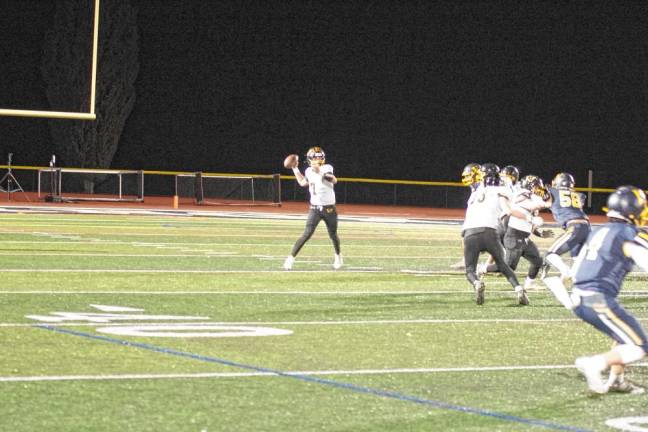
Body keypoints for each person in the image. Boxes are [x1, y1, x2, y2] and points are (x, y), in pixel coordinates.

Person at [572, 185, 648, 394]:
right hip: (595, 298)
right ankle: (595, 363)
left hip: (582, 295)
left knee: (624, 336)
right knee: (640, 346)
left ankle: (616, 380)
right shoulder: (627, 233)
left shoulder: (600, 229)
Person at [461, 163, 526, 305]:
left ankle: (477, 283)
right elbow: (508, 210)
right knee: (503, 266)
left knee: (470, 270)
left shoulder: (475, 193)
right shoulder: (501, 190)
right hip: (490, 232)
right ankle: (519, 289)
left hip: (470, 233)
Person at [480, 175, 553, 295]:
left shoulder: (532, 198)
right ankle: (483, 268)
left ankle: (529, 283)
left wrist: (539, 233)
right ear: (530, 186)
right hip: (513, 235)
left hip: (524, 237)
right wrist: (546, 199)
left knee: (537, 261)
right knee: (509, 267)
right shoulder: (522, 195)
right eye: (536, 186)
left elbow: (531, 223)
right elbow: (537, 206)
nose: (538, 189)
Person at [283, 147, 342, 271]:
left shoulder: (327, 167)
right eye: (315, 157)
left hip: (329, 209)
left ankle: (338, 256)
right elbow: (303, 183)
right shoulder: (309, 171)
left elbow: (334, 179)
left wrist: (319, 171)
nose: (317, 159)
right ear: (310, 159)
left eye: (319, 157)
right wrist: (295, 168)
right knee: (306, 234)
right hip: (314, 208)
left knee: (333, 235)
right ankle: (290, 259)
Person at [540, 172, 591, 284]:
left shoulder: (551, 191)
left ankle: (566, 271)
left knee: (550, 254)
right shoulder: (579, 195)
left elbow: (542, 195)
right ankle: (575, 279)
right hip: (586, 227)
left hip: (574, 227)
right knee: (577, 257)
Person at [450, 163, 482, 270]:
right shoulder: (475, 187)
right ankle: (466, 260)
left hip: (482, 218)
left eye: (469, 175)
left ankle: (498, 264)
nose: (467, 178)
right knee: (465, 237)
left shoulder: (483, 187)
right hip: (474, 219)